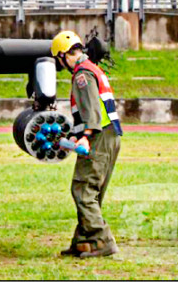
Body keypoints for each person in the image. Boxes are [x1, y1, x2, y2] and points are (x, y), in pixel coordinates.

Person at [51, 31, 123, 258]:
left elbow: (91, 109)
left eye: (59, 60)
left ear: (63, 55)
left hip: (99, 136)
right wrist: (76, 135)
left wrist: (86, 135)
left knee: (83, 190)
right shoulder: (93, 68)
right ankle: (84, 242)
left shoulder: (82, 74)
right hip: (110, 135)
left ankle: (102, 240)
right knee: (92, 193)